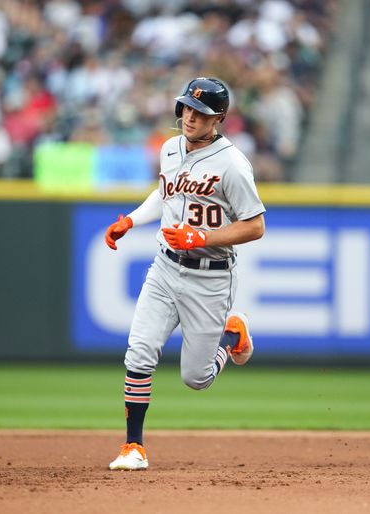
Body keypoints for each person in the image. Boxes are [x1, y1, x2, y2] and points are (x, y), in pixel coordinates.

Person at [104, 77, 266, 471]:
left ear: (219, 119)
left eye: (201, 112)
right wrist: (132, 220)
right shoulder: (170, 148)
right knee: (139, 350)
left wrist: (200, 236)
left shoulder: (233, 165)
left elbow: (255, 225)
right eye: (187, 109)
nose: (190, 117)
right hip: (164, 267)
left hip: (210, 277)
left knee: (197, 378)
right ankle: (133, 447)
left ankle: (233, 334)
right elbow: (166, 193)